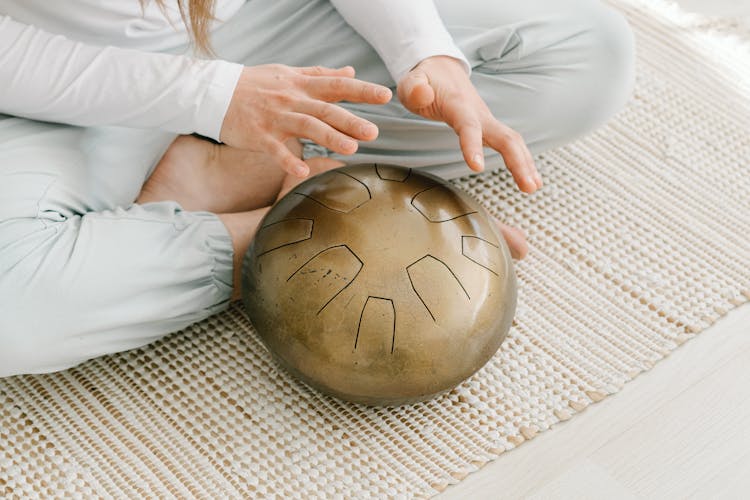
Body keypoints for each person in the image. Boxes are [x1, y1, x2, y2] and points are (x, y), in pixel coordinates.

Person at [0, 0, 635, 377]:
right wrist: (213, 99)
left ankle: (234, 178)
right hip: (52, 91)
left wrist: (425, 56)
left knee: (589, 54)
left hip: (255, 26)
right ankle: (295, 225)